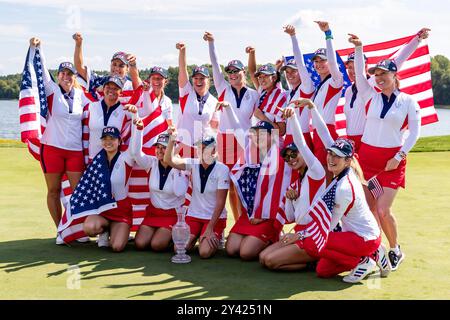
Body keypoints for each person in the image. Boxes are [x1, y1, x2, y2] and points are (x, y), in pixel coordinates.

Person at [295, 99, 391, 282]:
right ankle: (369, 256)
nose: (331, 158)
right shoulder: (344, 170)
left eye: (337, 156)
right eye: (330, 153)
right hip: (353, 236)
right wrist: (312, 107)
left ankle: (366, 259)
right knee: (323, 270)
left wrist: (299, 234)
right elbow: (324, 133)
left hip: (364, 238)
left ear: (347, 161)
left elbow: (327, 227)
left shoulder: (344, 188)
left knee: (311, 242)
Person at [349, 34, 422, 270]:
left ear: (394, 75)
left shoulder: (409, 101)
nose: (379, 78)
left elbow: (413, 134)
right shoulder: (369, 96)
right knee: (368, 210)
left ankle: (395, 249)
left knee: (382, 209)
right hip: (367, 160)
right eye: (377, 75)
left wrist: (399, 156)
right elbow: (360, 75)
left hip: (392, 161)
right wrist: (359, 48)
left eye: (384, 74)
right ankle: (374, 252)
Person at [202, 31, 271, 222]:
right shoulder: (223, 88)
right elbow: (215, 65)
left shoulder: (254, 93)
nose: (232, 75)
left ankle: (243, 222)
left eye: (236, 71)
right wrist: (211, 43)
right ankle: (232, 224)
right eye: (230, 72)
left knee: (243, 182)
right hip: (225, 140)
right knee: (228, 184)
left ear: (242, 73)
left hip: (246, 141)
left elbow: (258, 113)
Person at [28, 37, 91, 244]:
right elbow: (41, 70)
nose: (66, 76)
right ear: (58, 76)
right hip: (52, 149)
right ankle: (60, 230)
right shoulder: (51, 90)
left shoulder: (82, 95)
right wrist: (37, 48)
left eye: (70, 74)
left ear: (74, 78)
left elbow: (101, 107)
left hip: (74, 151)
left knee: (77, 192)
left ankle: (76, 228)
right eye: (62, 73)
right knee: (54, 191)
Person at [259, 108, 326, 271]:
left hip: (314, 233)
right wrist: (290, 199)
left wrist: (293, 118)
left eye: (294, 154)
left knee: (271, 261)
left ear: (303, 154)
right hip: (299, 230)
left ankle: (313, 261)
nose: (291, 159)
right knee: (262, 258)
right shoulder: (295, 184)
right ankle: (310, 262)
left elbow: (302, 143)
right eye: (287, 157)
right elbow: (290, 216)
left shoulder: (316, 173)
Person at [343, 28, 430, 153]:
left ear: (364, 66)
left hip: (367, 138)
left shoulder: (372, 81)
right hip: (351, 141)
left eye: (355, 66)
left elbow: (398, 61)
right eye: (349, 67)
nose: (352, 70)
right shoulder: (348, 91)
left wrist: (417, 39)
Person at [226, 121, 293, 261]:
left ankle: (273, 239)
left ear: (272, 136)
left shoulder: (281, 160)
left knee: (246, 252)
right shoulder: (249, 157)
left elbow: (279, 193)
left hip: (268, 215)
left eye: (262, 134)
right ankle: (258, 238)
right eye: (255, 134)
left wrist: (263, 215)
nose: (257, 137)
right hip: (250, 214)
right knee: (231, 249)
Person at [164, 127, 229, 259]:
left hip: (214, 219)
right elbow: (169, 161)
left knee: (204, 253)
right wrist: (171, 140)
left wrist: (210, 228)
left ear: (214, 150)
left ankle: (213, 234)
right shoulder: (193, 163)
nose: (202, 150)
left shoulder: (222, 169)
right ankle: (199, 235)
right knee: (179, 248)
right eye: (200, 147)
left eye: (206, 147)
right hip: (194, 215)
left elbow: (221, 202)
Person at [129, 119, 189, 251]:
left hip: (172, 214)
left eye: (164, 147)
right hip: (153, 213)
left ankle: (173, 237)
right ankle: (164, 235)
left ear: (171, 148)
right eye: (158, 147)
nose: (160, 151)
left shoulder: (181, 166)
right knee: (140, 243)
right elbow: (135, 153)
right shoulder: (152, 163)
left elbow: (180, 192)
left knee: (157, 245)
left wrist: (176, 166)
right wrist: (139, 130)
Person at [82, 126, 135, 252]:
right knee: (89, 228)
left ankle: (118, 231)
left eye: (112, 138)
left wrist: (135, 118)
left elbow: (136, 144)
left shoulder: (126, 158)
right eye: (105, 139)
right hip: (104, 209)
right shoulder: (98, 160)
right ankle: (105, 230)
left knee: (116, 247)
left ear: (120, 141)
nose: (108, 142)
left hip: (121, 209)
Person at [308, 21, 344, 169]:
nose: (318, 64)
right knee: (321, 173)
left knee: (327, 172)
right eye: (316, 61)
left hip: (326, 130)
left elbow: (333, 62)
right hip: (317, 133)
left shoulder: (335, 80)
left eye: (322, 60)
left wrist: (328, 34)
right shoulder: (319, 87)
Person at [175, 42, 219, 158]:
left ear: (208, 80)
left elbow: (215, 126)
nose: (198, 81)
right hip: (182, 147)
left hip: (202, 150)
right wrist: (182, 51)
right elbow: (182, 69)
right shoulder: (186, 93)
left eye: (202, 78)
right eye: (196, 78)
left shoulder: (214, 101)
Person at [82, 76, 136, 162]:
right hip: (93, 161)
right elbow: (85, 135)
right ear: (103, 89)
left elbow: (130, 137)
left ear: (121, 92)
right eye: (108, 87)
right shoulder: (90, 107)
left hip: (115, 162)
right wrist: (85, 160)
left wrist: (135, 113)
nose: (111, 90)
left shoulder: (126, 112)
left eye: (115, 88)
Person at [72, 32, 136, 104]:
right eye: (114, 64)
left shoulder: (132, 85)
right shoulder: (101, 81)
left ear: (127, 68)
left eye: (121, 66)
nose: (117, 68)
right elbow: (79, 67)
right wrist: (78, 44)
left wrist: (133, 64)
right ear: (110, 65)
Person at [281, 25, 316, 149]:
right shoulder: (289, 93)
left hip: (302, 136)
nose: (289, 74)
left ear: (300, 72)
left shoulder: (306, 88)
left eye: (293, 71)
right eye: (287, 72)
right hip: (288, 138)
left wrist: (293, 36)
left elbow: (300, 62)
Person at [246, 46, 286, 136]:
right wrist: (252, 53)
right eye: (260, 77)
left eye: (266, 76)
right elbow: (252, 71)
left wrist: (262, 117)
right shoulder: (262, 90)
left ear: (274, 77)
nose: (262, 80)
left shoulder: (279, 97)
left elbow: (281, 131)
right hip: (259, 139)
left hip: (273, 143)